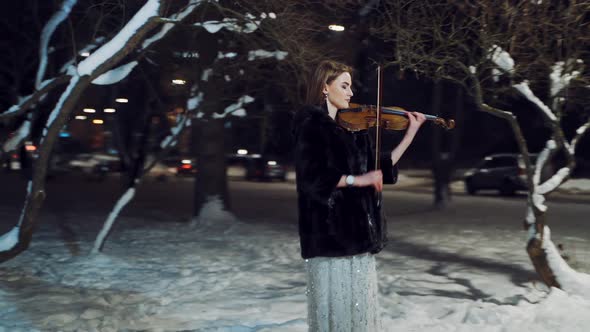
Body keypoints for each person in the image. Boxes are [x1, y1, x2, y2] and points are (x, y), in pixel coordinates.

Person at [292, 60, 426, 331]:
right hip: (330, 237)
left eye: (351, 86)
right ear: (324, 88)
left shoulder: (355, 127)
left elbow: (379, 169)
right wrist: (357, 179)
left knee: (358, 314)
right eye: (344, 85)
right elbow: (312, 178)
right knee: (337, 314)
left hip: (359, 238)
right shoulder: (310, 123)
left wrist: (410, 134)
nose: (351, 93)